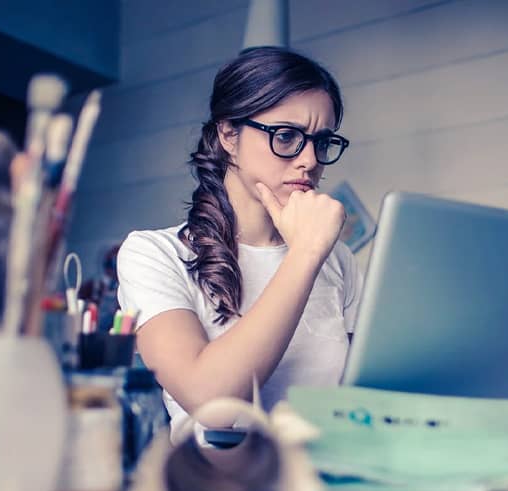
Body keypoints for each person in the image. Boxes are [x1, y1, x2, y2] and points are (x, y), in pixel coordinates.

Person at [117, 47, 362, 436]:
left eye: (322, 141)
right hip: (214, 488)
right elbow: (213, 406)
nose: (310, 161)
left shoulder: (339, 261)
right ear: (229, 134)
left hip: (325, 486)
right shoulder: (154, 254)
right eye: (286, 136)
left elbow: (358, 404)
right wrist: (305, 253)